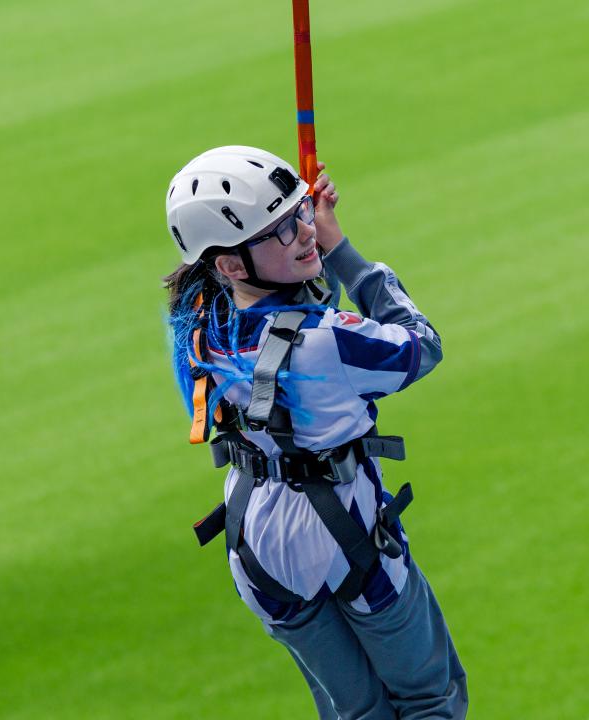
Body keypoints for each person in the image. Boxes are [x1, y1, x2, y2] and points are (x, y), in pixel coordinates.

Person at [164, 145, 468, 719]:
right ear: (229, 264)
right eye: (279, 230)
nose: (304, 231)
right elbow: (420, 344)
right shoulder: (327, 340)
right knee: (432, 700)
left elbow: (273, 325)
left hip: (257, 544)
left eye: (301, 214)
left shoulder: (197, 330)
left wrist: (300, 256)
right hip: (344, 535)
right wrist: (340, 251)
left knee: (354, 713)